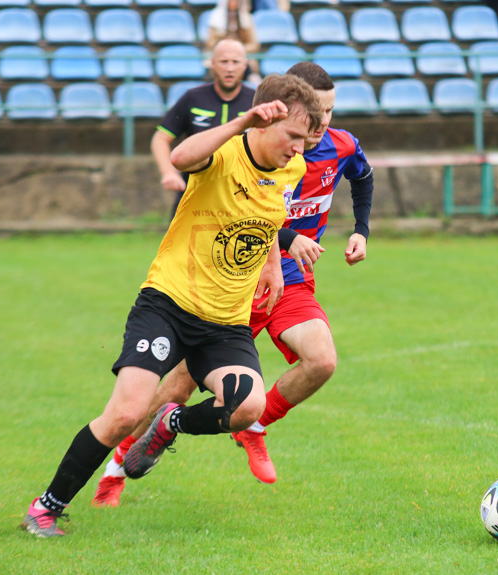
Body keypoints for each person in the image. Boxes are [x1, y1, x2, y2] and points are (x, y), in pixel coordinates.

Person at [21, 73, 322, 538]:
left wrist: (272, 265)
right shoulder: (225, 151)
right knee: (125, 412)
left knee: (248, 406)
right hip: (169, 303)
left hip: (226, 322)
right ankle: (46, 506)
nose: (299, 149)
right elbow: (181, 156)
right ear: (264, 121)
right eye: (293, 137)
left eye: (305, 140)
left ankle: (171, 422)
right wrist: (240, 120)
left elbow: (268, 217)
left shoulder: (292, 169)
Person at [91, 62, 373, 506]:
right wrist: (287, 238)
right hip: (231, 281)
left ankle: (254, 429)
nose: (323, 124)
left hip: (289, 279)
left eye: (331, 112)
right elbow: (247, 215)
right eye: (316, 113)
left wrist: (361, 228)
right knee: (176, 388)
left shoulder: (339, 145)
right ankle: (116, 467)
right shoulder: (265, 148)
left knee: (321, 360)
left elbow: (363, 176)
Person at [151, 38, 256, 220]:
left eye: (235, 62)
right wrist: (168, 172)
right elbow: (160, 138)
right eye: (224, 62)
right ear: (212, 64)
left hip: (241, 196)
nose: (229, 68)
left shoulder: (256, 101)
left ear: (245, 65)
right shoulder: (193, 98)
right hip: (193, 193)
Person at [205, 0, 262, 83]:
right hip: (221, 54)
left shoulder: (247, 18)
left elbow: (254, 44)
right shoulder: (215, 18)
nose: (234, 2)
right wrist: (225, 47)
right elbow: (210, 42)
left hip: (242, 56)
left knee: (251, 71)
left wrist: (237, 48)